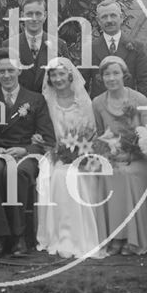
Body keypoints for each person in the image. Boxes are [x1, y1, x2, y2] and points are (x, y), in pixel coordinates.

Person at [0, 48, 56, 256]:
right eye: (1, 71)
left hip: (25, 153)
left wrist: (26, 149)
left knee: (19, 172)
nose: (6, 76)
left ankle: (20, 235)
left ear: (19, 71)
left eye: (11, 70)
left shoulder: (36, 99)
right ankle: (1, 235)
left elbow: (48, 137)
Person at [92, 55, 147, 256]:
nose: (111, 78)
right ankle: (115, 237)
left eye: (116, 73)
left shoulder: (139, 99)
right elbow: (99, 136)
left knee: (128, 174)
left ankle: (133, 239)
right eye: (106, 74)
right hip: (114, 157)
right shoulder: (97, 103)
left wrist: (134, 152)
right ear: (101, 78)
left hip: (141, 157)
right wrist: (109, 154)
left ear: (125, 75)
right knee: (109, 173)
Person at [35, 57, 107, 259]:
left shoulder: (83, 101)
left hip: (82, 151)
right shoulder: (46, 100)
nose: (58, 79)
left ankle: (79, 236)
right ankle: (60, 235)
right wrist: (42, 140)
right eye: (53, 75)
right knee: (56, 175)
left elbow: (91, 131)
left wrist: (80, 153)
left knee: (75, 175)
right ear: (49, 79)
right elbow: (42, 128)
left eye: (61, 74)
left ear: (69, 76)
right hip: (53, 151)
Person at [1, 0, 72, 93]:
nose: (34, 18)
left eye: (38, 14)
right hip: (20, 105)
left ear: (45, 16)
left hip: (49, 105)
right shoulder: (8, 45)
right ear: (22, 16)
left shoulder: (59, 45)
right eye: (29, 14)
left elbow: (68, 81)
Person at [87, 0, 147, 100]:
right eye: (104, 17)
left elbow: (144, 82)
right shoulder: (90, 49)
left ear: (121, 18)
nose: (109, 20)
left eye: (113, 15)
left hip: (128, 107)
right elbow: (83, 84)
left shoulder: (137, 48)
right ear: (98, 21)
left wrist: (139, 108)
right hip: (100, 110)